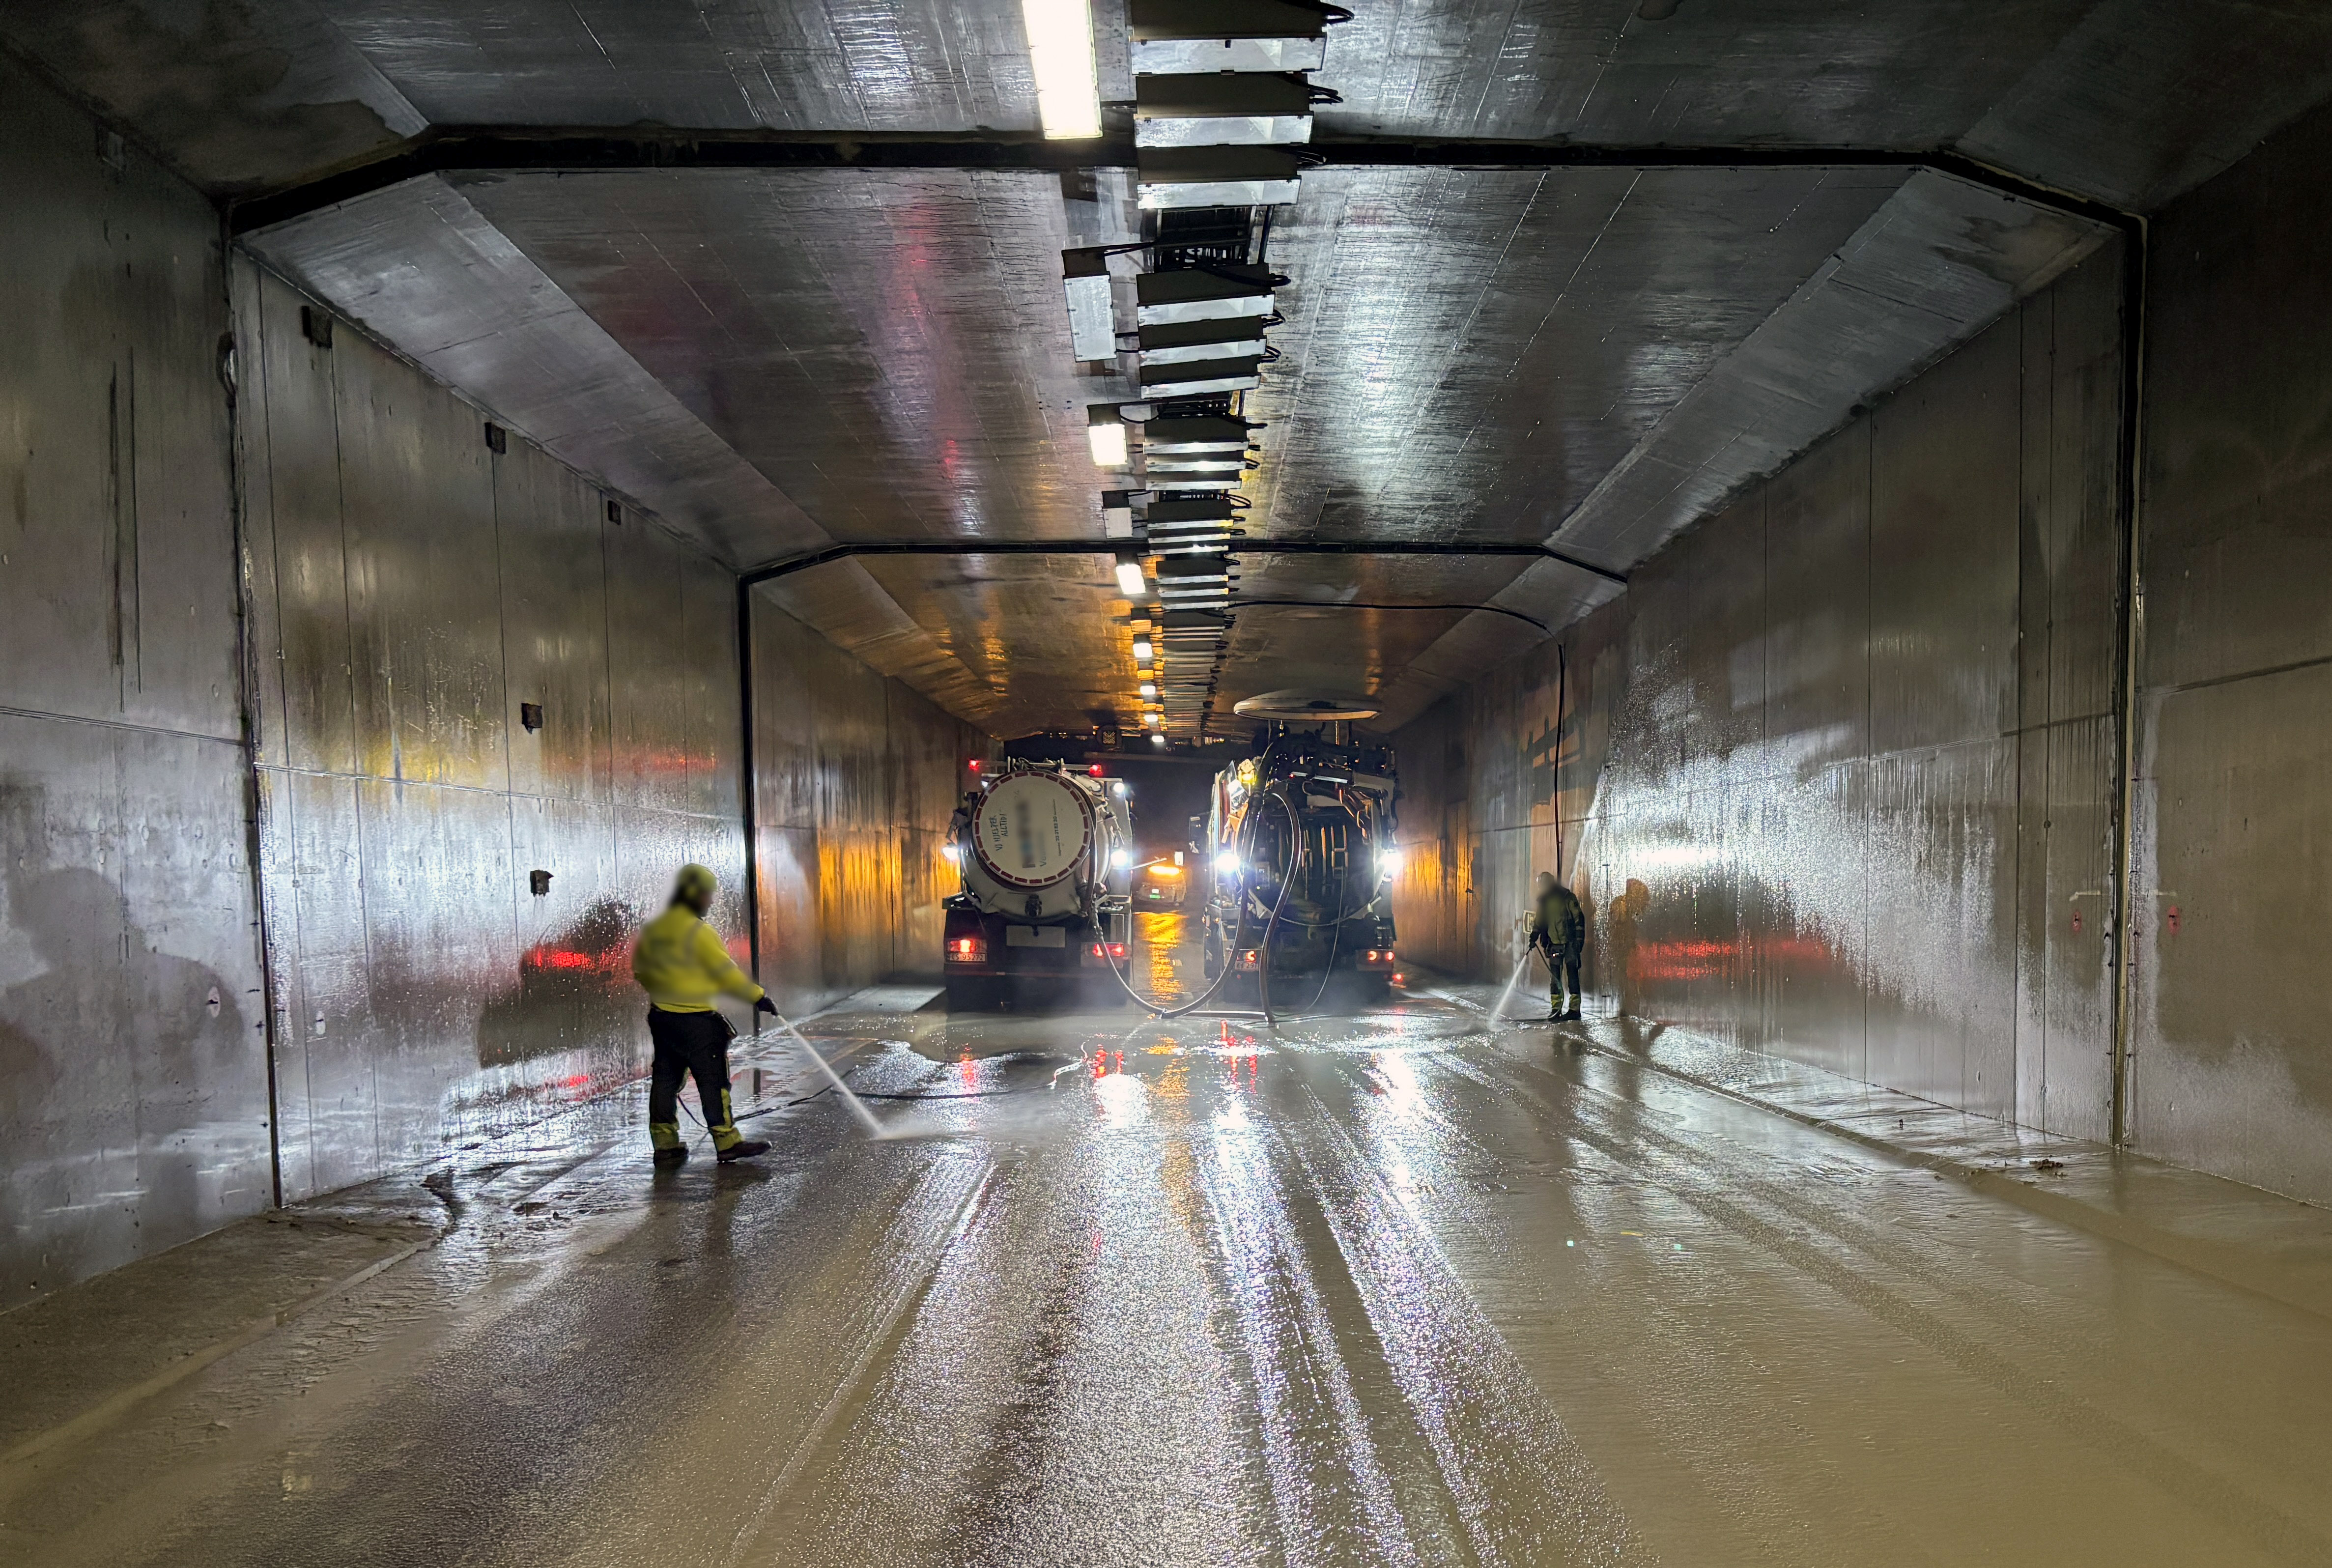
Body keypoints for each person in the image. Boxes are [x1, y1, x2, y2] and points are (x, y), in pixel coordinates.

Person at [630, 864, 775, 1168]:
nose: (710, 901)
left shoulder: (654, 929)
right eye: (708, 895)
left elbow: (641, 972)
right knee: (713, 1082)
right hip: (698, 1024)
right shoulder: (700, 933)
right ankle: (727, 1142)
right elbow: (727, 977)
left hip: (662, 1019)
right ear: (694, 894)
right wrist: (759, 998)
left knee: (666, 1081)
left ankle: (666, 1145)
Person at [1527, 870, 1586, 1022]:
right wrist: (1534, 938)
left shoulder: (1568, 898)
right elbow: (1539, 922)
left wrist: (1579, 941)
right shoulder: (1544, 902)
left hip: (1570, 944)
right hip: (1554, 945)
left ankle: (1574, 1010)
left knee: (1572, 976)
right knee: (1555, 978)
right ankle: (1556, 1009)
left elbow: (1579, 918)